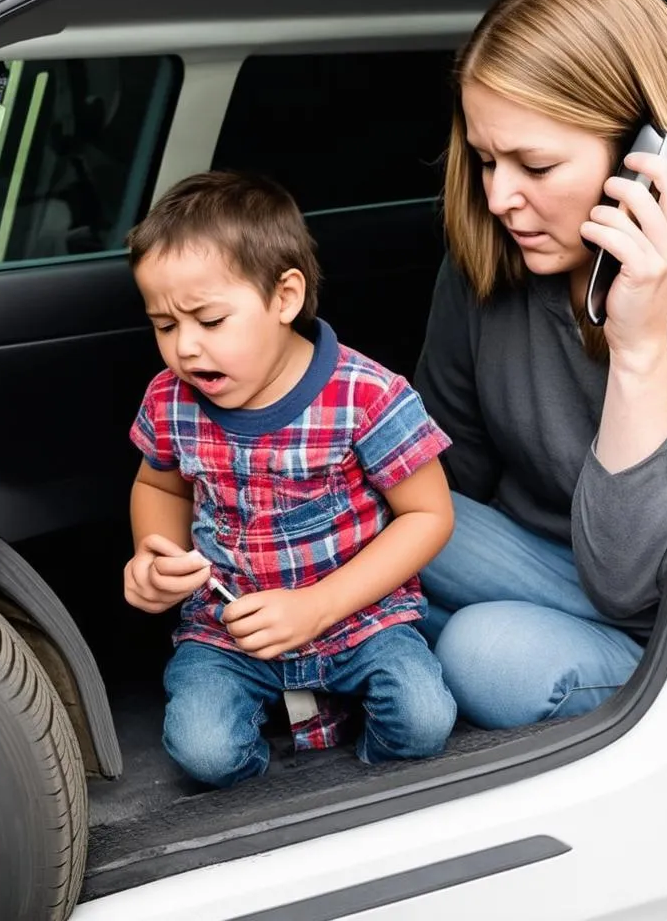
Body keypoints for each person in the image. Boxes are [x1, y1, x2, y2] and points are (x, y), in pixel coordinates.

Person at [414, 0, 667, 730]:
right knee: (384, 507)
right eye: (485, 159)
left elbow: (632, 579)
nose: (497, 197)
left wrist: (640, 342)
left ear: (643, 154)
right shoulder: (496, 243)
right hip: (535, 565)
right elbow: (447, 476)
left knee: (487, 652)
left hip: (666, 612)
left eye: (535, 165)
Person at [123, 170, 457, 788]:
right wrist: (155, 553)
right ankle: (269, 790)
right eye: (165, 326)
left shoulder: (367, 395)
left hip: (361, 619)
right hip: (228, 627)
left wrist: (317, 607)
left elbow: (429, 515)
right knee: (202, 752)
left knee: (421, 720)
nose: (185, 349)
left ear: (285, 298)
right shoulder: (172, 399)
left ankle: (364, 785)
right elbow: (158, 486)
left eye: (209, 320)